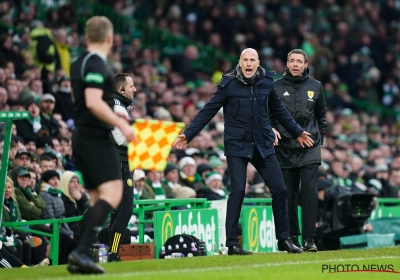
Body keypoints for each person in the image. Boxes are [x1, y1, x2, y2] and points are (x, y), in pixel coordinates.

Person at [174, 48, 314, 255]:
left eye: (252, 60)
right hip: (237, 145)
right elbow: (208, 110)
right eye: (245, 60)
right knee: (238, 190)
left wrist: (298, 133)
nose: (248, 64)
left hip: (262, 143)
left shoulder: (266, 82)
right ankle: (232, 244)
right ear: (240, 62)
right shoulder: (228, 83)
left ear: (258, 63)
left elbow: (280, 111)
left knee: (280, 189)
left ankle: (283, 239)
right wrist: (189, 134)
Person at [67, 16, 135, 274]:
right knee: (113, 195)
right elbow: (94, 102)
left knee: (97, 200)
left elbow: (93, 103)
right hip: (95, 138)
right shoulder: (95, 63)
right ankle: (81, 251)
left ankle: (82, 255)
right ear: (110, 38)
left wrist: (117, 116)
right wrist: (124, 126)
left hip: (85, 135)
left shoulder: (79, 62)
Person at [271, 49, 327, 252]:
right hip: (284, 147)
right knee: (288, 193)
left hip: (309, 146)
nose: (295, 64)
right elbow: (267, 115)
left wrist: (319, 138)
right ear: (286, 63)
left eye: (299, 61)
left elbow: (321, 115)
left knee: (309, 191)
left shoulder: (316, 86)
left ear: (305, 64)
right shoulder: (274, 87)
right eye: (292, 61)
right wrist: (272, 129)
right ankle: (292, 237)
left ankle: (310, 239)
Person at [108, 73, 136, 262]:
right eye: (131, 86)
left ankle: (112, 252)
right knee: (124, 211)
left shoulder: (114, 106)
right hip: (120, 164)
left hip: (113, 163)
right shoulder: (118, 108)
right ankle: (113, 253)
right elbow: (121, 138)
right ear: (121, 89)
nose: (134, 89)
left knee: (117, 212)